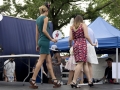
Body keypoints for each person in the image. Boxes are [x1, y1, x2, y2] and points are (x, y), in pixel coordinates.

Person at [29, 4, 61, 89]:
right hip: (45, 41)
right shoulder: (45, 18)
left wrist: (36, 44)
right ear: (46, 11)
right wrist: (52, 39)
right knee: (40, 61)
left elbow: (37, 33)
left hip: (41, 41)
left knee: (48, 61)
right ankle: (33, 79)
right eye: (48, 11)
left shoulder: (37, 19)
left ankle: (54, 80)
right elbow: (44, 30)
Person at [69, 15, 96, 88]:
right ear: (82, 20)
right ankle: (74, 81)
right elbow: (86, 36)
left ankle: (90, 81)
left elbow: (70, 38)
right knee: (80, 63)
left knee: (84, 63)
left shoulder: (72, 27)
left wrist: (70, 45)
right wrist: (92, 43)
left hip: (75, 45)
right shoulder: (83, 25)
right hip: (82, 45)